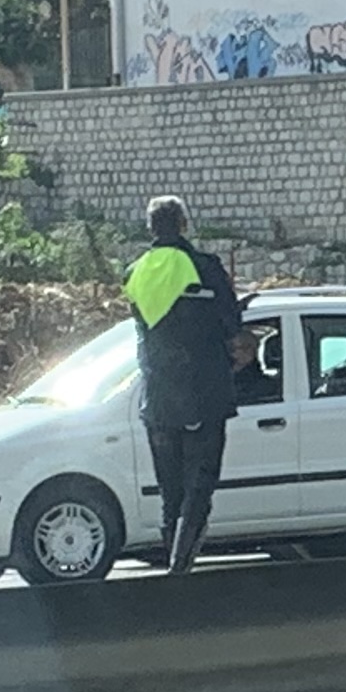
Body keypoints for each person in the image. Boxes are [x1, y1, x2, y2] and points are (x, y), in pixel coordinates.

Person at [121, 195, 242, 571]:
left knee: (169, 494)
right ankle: (181, 569)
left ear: (150, 228)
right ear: (184, 224)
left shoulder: (134, 272)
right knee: (199, 487)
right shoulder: (204, 267)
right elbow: (231, 323)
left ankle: (172, 573)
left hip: (157, 399)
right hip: (204, 394)